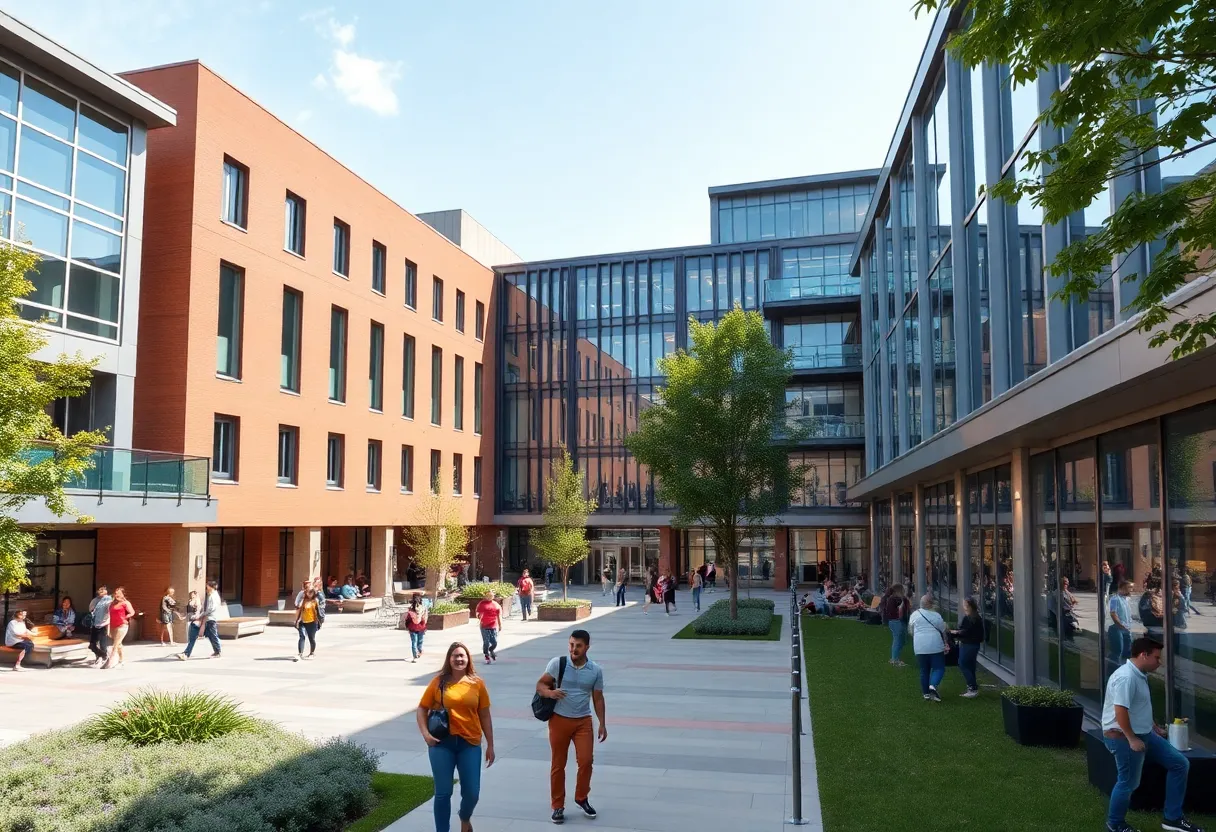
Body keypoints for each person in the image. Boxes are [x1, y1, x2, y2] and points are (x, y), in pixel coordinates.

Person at [1101, 637, 1203, 832]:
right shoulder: (1126, 677)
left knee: (1180, 764)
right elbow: (1120, 711)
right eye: (1157, 658)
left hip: (1144, 733)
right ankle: (1115, 825)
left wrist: (1154, 727)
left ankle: (1172, 818)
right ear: (1143, 655)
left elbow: (1138, 707)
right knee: (1128, 782)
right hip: (1123, 737)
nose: (1160, 662)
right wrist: (1132, 739)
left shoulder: (1138, 673)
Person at [417, 642, 495, 832]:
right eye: (455, 656)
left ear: (468, 659)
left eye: (463, 656)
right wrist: (426, 734)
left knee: (472, 793)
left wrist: (491, 745)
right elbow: (422, 708)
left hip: (470, 743)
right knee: (443, 793)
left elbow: (485, 715)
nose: (459, 659)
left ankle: (464, 817)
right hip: (442, 743)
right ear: (449, 659)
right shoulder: (438, 682)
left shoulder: (477, 683)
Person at [535, 630, 606, 825]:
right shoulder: (558, 663)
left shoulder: (595, 670)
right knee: (558, 764)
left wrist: (602, 723)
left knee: (586, 761)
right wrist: (550, 693)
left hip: (583, 721)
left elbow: (598, 698)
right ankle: (557, 806)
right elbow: (540, 685)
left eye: (579, 646)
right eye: (571, 644)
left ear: (587, 648)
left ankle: (581, 798)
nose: (574, 649)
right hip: (559, 720)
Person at [908, 594, 950, 702]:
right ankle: (933, 686)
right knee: (939, 668)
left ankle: (926, 694)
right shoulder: (936, 616)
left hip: (919, 646)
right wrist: (945, 642)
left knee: (924, 670)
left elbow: (911, 630)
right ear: (931, 604)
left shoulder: (914, 615)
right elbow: (943, 630)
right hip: (935, 645)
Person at [178, 580, 222, 660]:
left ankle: (217, 652)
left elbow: (210, 609)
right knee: (200, 633)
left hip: (210, 619)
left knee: (212, 636)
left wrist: (200, 615)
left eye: (207, 586)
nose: (206, 587)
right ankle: (186, 653)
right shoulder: (212, 595)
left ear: (211, 587)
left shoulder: (213, 596)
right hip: (208, 619)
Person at [951, 597, 984, 697]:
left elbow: (966, 631)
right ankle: (973, 688)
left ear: (969, 606)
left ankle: (972, 686)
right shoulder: (976, 617)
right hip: (974, 645)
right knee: (970, 665)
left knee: (963, 663)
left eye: (965, 604)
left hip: (968, 644)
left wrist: (955, 632)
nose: (963, 607)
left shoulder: (970, 618)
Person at [102, 587, 135, 669]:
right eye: (116, 593)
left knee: (115, 644)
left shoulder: (125, 603)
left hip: (122, 626)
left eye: (119, 593)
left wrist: (125, 617)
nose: (117, 595)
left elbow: (132, 612)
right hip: (113, 626)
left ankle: (111, 662)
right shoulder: (112, 603)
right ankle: (121, 660)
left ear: (123, 594)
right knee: (119, 643)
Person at [1108, 580, 1134, 670]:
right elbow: (1113, 613)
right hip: (1117, 628)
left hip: (1126, 628)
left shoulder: (1126, 599)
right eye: (1129, 588)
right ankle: (1112, 670)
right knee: (1118, 651)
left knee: (1127, 651)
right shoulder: (1115, 599)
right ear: (1121, 588)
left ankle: (1124, 669)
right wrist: (1120, 625)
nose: (1131, 590)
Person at [882, 584, 909, 665]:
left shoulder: (899, 599)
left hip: (899, 621)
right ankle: (894, 659)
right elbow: (895, 612)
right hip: (896, 621)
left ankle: (896, 658)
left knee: (901, 640)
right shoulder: (894, 599)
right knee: (897, 640)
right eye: (904, 589)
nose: (905, 590)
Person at [294, 586, 321, 661]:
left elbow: (319, 613)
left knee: (311, 638)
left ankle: (312, 653)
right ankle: (300, 654)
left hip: (312, 622)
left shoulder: (315, 601)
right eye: (308, 592)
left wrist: (319, 622)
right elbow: (299, 611)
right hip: (302, 621)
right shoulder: (303, 600)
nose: (309, 594)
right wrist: (297, 621)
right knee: (302, 637)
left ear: (313, 593)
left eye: (311, 592)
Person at [87, 585, 112, 666]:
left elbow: (109, 610)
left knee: (103, 645)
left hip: (103, 624)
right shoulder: (95, 600)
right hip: (94, 624)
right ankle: (102, 656)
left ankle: (104, 658)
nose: (101, 591)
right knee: (92, 645)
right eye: (99, 589)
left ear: (106, 591)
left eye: (103, 589)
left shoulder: (108, 600)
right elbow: (90, 609)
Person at [476, 594, 504, 664]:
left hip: (493, 626)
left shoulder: (495, 605)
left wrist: (500, 625)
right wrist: (479, 616)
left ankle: (491, 650)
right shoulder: (481, 604)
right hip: (484, 626)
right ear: (485, 596)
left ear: (493, 597)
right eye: (487, 596)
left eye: (491, 596)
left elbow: (498, 615)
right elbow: (477, 613)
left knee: (494, 642)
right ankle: (486, 655)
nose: (489, 597)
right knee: (486, 642)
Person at [405, 594, 428, 661]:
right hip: (421, 627)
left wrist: (407, 627)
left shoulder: (410, 609)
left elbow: (408, 619)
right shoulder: (423, 608)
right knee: (420, 641)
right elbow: (425, 618)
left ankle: (415, 656)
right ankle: (420, 651)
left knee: (414, 642)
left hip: (412, 627)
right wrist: (424, 626)